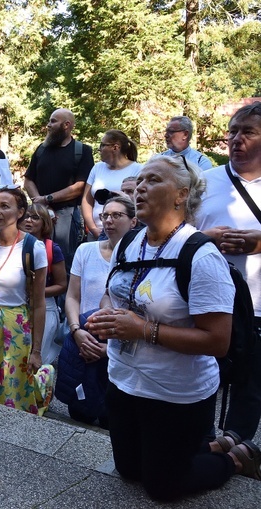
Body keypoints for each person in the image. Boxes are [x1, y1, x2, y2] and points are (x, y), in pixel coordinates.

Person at [87, 155, 260, 501]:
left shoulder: (201, 254)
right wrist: (106, 316)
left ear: (181, 195)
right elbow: (112, 294)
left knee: (164, 487)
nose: (139, 187)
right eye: (140, 180)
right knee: (129, 470)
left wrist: (143, 329)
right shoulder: (128, 242)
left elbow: (217, 341)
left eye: (153, 180)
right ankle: (207, 446)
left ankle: (234, 459)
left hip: (174, 393)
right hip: (123, 381)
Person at [195, 101, 261, 443]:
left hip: (258, 306)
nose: (237, 139)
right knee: (204, 375)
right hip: (208, 302)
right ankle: (200, 441)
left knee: (251, 384)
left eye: (248, 132)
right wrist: (208, 237)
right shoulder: (204, 182)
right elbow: (174, 230)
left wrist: (258, 242)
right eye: (233, 131)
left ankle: (236, 448)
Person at [0, 186, 53, 415]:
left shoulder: (32, 248)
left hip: (14, 324)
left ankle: (41, 384)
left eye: (5, 206)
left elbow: (39, 303)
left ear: (20, 212)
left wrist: (36, 350)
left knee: (11, 388)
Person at [58, 195, 137, 428]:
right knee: (79, 411)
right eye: (105, 215)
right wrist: (75, 331)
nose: (108, 220)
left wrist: (109, 350)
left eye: (117, 215)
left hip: (120, 347)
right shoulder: (86, 250)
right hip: (85, 339)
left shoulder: (140, 258)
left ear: (134, 221)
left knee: (111, 419)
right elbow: (73, 296)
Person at [24, 108, 94, 268]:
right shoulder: (41, 149)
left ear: (66, 125)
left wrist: (47, 199)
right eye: (49, 121)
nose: (48, 125)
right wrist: (41, 204)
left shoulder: (82, 151)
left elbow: (80, 187)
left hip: (67, 216)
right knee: (36, 258)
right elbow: (28, 180)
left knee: (63, 261)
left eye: (53, 121)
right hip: (40, 215)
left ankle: (63, 293)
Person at [20, 203, 67, 364]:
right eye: (26, 216)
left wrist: (38, 292)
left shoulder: (51, 249)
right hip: (16, 306)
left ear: (45, 223)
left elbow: (62, 285)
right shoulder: (12, 245)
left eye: (35, 217)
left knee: (37, 358)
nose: (29, 221)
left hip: (45, 307)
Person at [81, 130, 142, 240]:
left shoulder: (138, 170)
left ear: (115, 147)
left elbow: (140, 202)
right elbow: (87, 200)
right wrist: (93, 228)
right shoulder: (97, 168)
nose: (99, 149)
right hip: (96, 231)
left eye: (103, 145)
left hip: (123, 233)